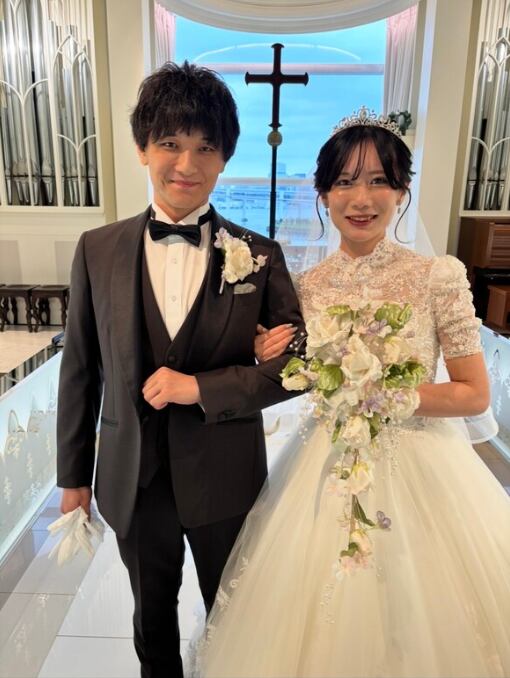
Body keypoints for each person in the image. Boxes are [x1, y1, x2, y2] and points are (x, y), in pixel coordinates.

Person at [197, 109, 510, 677]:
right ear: (323, 195)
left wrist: (386, 394)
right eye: (344, 181)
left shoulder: (438, 276)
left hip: (423, 466)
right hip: (326, 464)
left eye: (379, 181)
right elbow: (298, 374)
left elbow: (473, 395)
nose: (361, 198)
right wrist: (269, 352)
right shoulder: (304, 287)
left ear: (402, 191)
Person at [56, 61, 305, 678]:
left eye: (205, 148)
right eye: (170, 143)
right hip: (133, 478)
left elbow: (296, 367)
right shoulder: (96, 249)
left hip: (226, 476)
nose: (186, 165)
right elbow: (81, 368)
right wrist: (73, 476)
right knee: (151, 621)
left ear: (225, 159)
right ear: (142, 148)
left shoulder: (259, 255)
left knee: (234, 615)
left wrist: (202, 387)